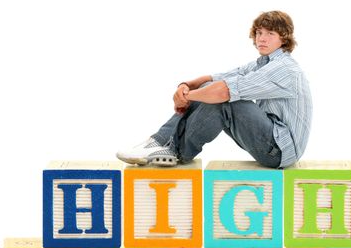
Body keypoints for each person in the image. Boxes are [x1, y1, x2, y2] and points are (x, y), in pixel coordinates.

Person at [116, 10, 312, 168]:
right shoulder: (262, 64)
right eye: (259, 32)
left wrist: (188, 97)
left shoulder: (284, 69)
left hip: (280, 151)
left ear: (283, 39)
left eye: (270, 34)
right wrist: (184, 87)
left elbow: (223, 91)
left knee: (223, 100)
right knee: (209, 89)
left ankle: (174, 151)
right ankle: (159, 141)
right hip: (270, 141)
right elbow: (214, 79)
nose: (262, 38)